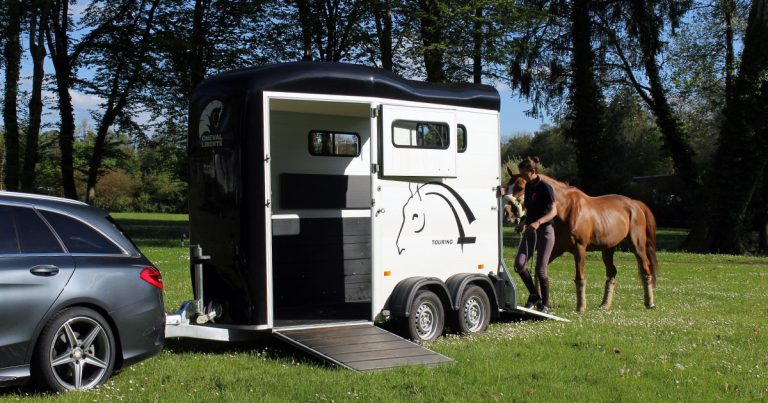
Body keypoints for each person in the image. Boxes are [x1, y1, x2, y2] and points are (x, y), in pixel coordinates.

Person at [514, 157, 558, 314]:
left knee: (540, 270)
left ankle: (545, 306)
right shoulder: (528, 187)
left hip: (545, 231)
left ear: (532, 171)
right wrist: (523, 222)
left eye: (524, 174)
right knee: (519, 265)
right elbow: (530, 211)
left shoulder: (546, 187)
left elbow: (554, 211)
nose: (522, 178)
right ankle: (534, 296)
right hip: (531, 231)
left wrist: (538, 223)